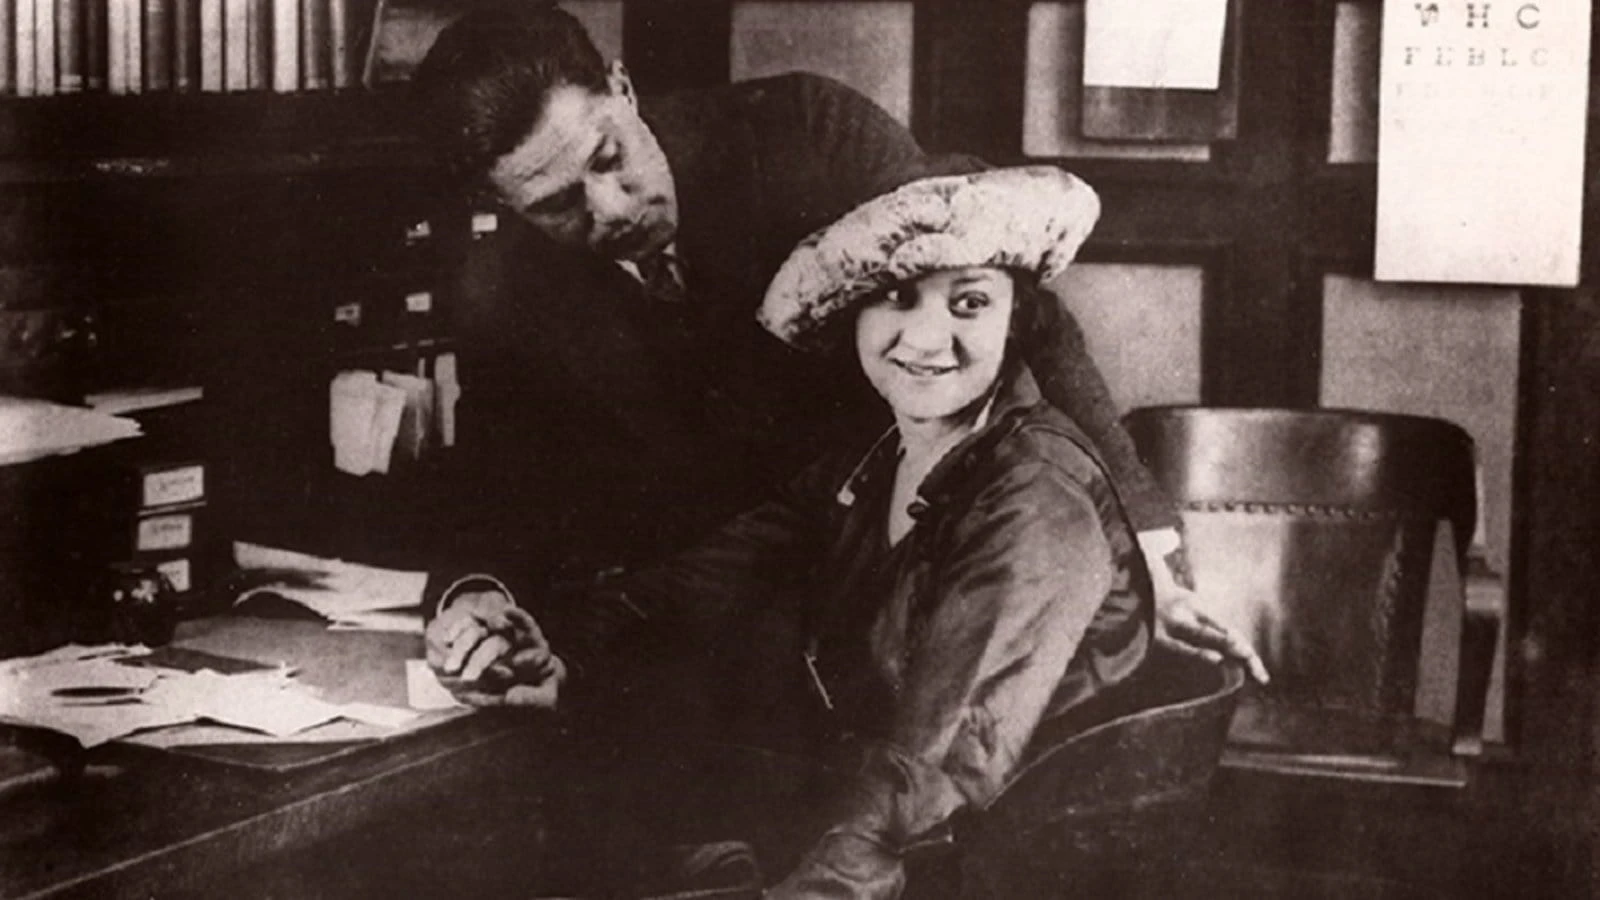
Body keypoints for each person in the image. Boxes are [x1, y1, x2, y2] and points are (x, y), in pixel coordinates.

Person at [409, 1, 1266, 698]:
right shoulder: (505, 291)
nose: (612, 207)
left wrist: (1154, 555)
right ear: (503, 206)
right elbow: (492, 491)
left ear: (623, 88)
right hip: (709, 637)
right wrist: (471, 598)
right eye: (557, 206)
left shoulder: (806, 135)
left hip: (902, 590)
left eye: (609, 156)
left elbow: (1029, 319)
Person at [449, 165, 1181, 898]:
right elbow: (700, 583)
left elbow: (936, 769)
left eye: (970, 303)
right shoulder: (875, 460)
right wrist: (564, 656)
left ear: (1015, 319)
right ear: (852, 312)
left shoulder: (1036, 494)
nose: (929, 337)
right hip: (893, 851)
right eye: (896, 297)